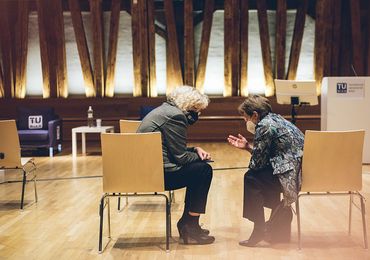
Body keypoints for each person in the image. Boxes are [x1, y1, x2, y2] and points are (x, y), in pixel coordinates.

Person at [137, 86, 215, 245]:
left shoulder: (165, 110)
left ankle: (188, 223)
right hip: (158, 175)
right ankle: (190, 225)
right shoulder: (176, 116)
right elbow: (180, 157)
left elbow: (170, 148)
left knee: (198, 170)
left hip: (146, 169)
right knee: (204, 170)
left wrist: (195, 150)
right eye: (196, 109)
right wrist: (201, 158)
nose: (197, 114)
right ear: (188, 105)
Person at [227, 95, 304, 247]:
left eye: (245, 117)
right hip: (298, 173)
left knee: (251, 177)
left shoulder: (264, 126)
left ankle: (259, 229)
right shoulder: (278, 119)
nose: (245, 121)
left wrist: (252, 152)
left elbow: (257, 163)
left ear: (254, 115)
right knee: (261, 176)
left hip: (289, 177)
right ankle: (277, 230)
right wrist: (249, 147)